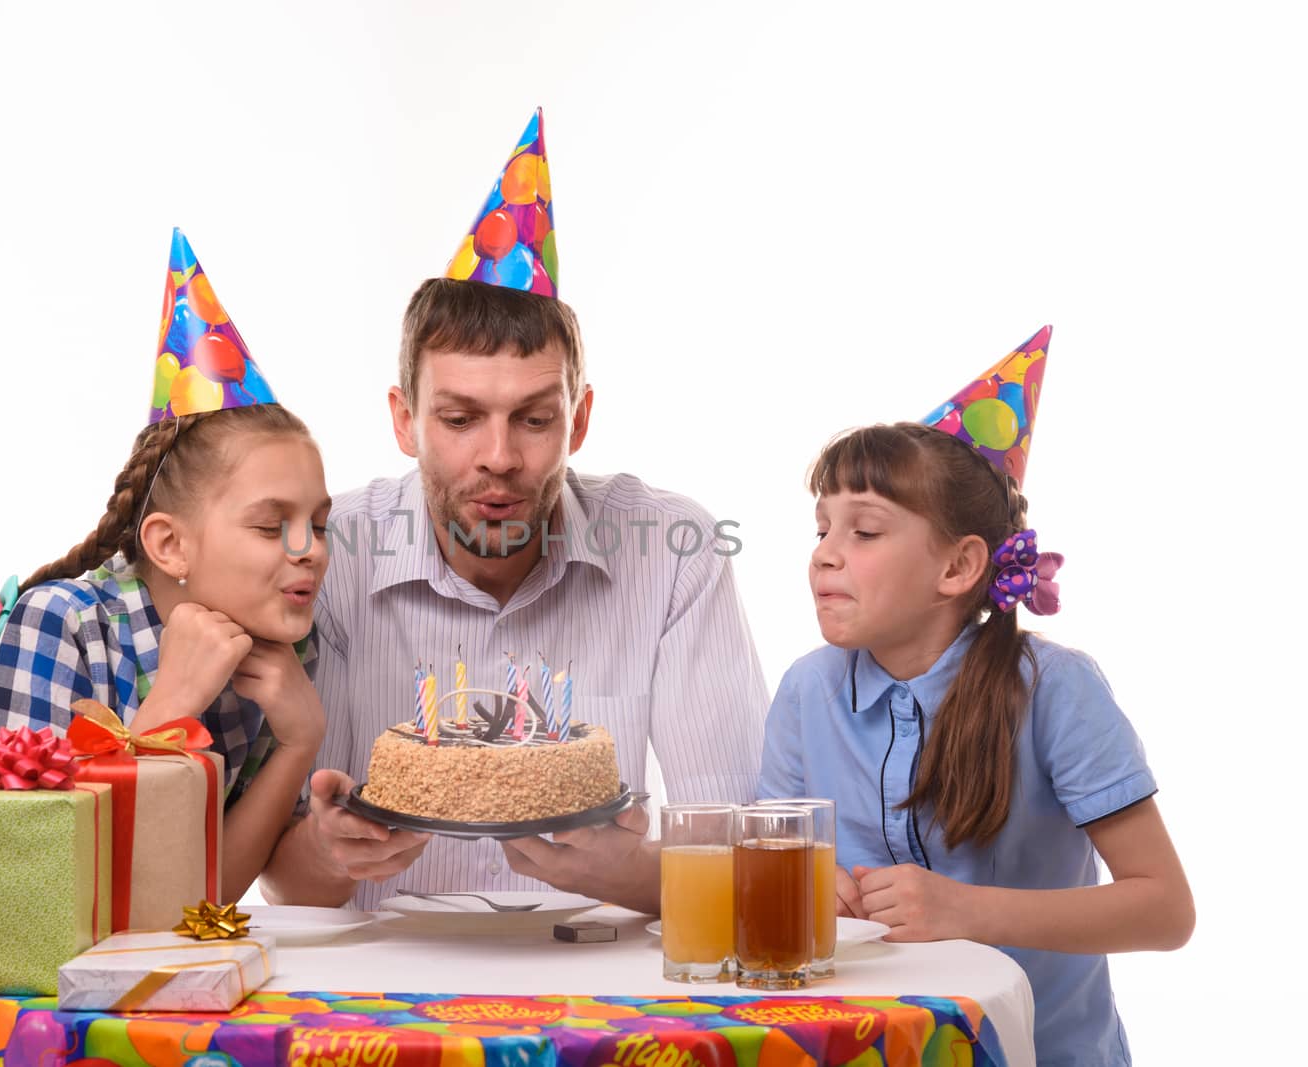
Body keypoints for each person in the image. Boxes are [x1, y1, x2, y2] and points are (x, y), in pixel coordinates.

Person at [260, 109, 768, 913]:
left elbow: (745, 849)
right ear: (404, 420)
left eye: (534, 419)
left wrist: (626, 872)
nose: (499, 455)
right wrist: (329, 850)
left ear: (581, 417)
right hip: (386, 996)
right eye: (460, 419)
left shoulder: (674, 554)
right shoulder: (329, 553)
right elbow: (280, 874)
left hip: (598, 991)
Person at [759, 327, 1194, 1066]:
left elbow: (1165, 908)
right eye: (822, 526)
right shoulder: (807, 690)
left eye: (864, 529)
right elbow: (770, 856)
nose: (826, 551)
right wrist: (807, 881)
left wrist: (964, 910)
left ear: (959, 565)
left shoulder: (1056, 690)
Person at [0, 229, 331, 900]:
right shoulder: (61, 623)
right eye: (272, 525)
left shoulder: (281, 656)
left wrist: (298, 742)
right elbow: (19, 884)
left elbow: (203, 897)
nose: (310, 549)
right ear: (170, 544)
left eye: (319, 524)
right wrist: (172, 702)